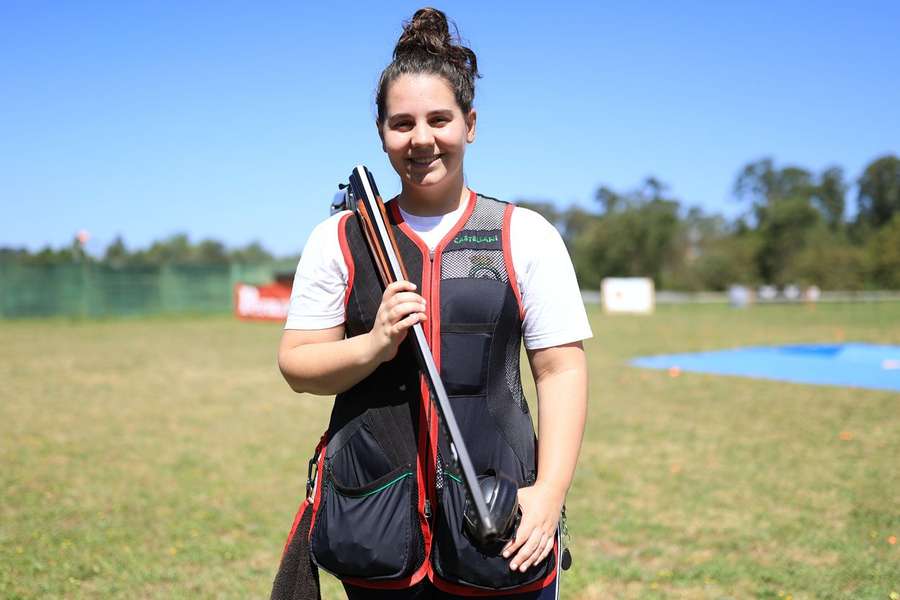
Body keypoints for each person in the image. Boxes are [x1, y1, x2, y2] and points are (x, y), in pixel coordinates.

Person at [273, 7, 590, 599]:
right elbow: (297, 365)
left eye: (440, 119)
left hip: (499, 522)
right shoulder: (341, 237)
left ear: (470, 124)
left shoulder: (523, 234)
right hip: (376, 524)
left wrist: (549, 494)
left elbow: (561, 368)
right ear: (381, 132)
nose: (422, 138)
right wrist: (375, 344)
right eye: (402, 123)